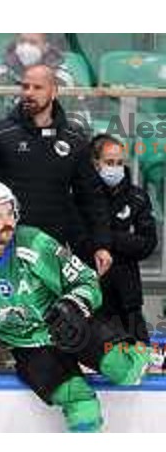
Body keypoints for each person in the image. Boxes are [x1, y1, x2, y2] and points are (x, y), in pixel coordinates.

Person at [0, 181, 149, 432]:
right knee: (80, 403)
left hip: (70, 325)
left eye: (10, 211)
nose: (7, 220)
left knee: (126, 369)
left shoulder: (35, 243)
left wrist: (75, 305)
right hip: (28, 348)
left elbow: (86, 279)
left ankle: (147, 352)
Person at [0, 64, 113, 277]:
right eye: (25, 87)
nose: (29, 93)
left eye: (37, 87)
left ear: (54, 91)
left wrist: (101, 244)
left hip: (51, 249)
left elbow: (91, 197)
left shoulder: (74, 139)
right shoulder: (1, 133)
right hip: (3, 246)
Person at [90, 135, 157, 343]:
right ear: (95, 163)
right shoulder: (82, 198)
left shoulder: (137, 197)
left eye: (119, 163)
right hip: (92, 296)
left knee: (137, 363)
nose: (115, 168)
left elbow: (147, 243)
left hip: (128, 300)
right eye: (109, 162)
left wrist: (106, 238)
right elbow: (78, 241)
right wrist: (124, 239)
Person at [0, 33, 75, 88]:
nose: (26, 47)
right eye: (22, 41)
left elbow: (75, 111)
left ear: (46, 47)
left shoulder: (61, 77)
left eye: (33, 43)